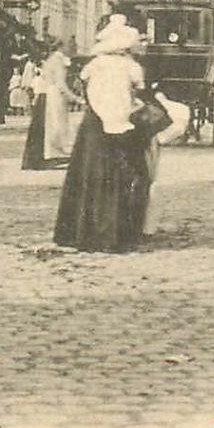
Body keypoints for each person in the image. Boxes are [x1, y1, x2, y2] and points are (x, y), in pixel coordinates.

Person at [54, 16, 150, 252]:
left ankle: (80, 231)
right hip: (121, 123)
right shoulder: (131, 66)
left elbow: (83, 82)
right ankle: (115, 233)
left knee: (88, 173)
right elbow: (140, 92)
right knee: (119, 175)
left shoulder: (95, 64)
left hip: (94, 125)